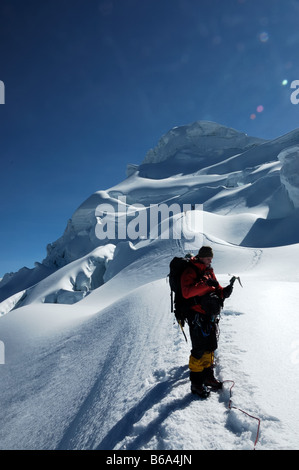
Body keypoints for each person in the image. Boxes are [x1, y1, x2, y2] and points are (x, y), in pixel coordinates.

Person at [180, 246, 233, 398]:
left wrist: (224, 291)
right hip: (196, 315)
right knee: (198, 349)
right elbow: (186, 292)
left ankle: (208, 376)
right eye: (208, 258)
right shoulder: (190, 270)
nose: (211, 260)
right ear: (201, 257)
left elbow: (215, 287)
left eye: (211, 258)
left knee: (210, 346)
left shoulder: (208, 270)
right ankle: (196, 384)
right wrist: (206, 284)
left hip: (209, 315)